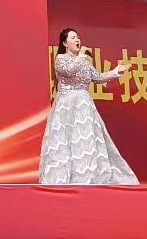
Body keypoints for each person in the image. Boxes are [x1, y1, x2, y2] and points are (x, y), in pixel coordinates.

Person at [39, 28, 136, 184]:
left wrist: (116, 71)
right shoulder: (61, 59)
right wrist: (82, 56)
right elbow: (69, 71)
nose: (77, 40)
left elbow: (98, 77)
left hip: (84, 106)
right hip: (67, 107)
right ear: (65, 43)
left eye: (78, 37)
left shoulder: (84, 62)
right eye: (73, 38)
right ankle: (63, 180)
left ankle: (88, 178)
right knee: (65, 142)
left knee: (86, 140)